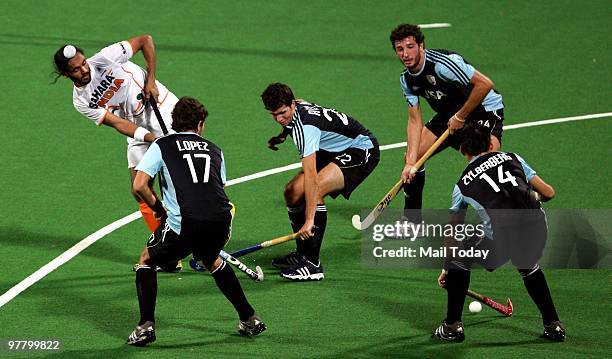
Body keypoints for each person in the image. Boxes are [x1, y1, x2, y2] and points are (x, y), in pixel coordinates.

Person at [127, 97, 266, 346]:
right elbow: (217, 188)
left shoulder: (162, 145)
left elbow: (139, 186)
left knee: (146, 259)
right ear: (200, 124)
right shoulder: (215, 149)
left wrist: (158, 208)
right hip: (221, 220)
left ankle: (145, 326)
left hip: (186, 223)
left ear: (173, 122)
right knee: (211, 258)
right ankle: (250, 318)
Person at [53, 35, 181, 271]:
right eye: (76, 69)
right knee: (139, 189)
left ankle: (217, 211)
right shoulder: (81, 100)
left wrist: (151, 80)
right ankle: (168, 246)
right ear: (65, 74)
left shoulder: (105, 58)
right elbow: (119, 124)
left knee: (180, 175)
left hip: (161, 108)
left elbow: (146, 40)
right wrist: (153, 139)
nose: (84, 69)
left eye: (83, 63)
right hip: (135, 128)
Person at [433, 123, 565, 342]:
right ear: (491, 143)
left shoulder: (462, 185)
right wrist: (532, 197)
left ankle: (452, 327)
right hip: (537, 229)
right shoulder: (512, 157)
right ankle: (554, 325)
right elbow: (549, 193)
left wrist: (449, 270)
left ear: (462, 151)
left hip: (502, 238)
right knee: (528, 266)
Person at [260, 83, 380, 281]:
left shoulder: (306, 129)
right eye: (273, 115)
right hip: (333, 149)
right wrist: (281, 135)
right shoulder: (296, 105)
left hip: (361, 149)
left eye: (282, 113)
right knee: (291, 191)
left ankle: (312, 264)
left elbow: (312, 180)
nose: (279, 119)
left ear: (291, 104)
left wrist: (309, 221)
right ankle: (302, 253)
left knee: (313, 191)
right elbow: (291, 121)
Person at [389, 23, 505, 226]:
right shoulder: (406, 80)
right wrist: (410, 162)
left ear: (421, 45)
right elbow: (414, 120)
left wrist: (460, 116)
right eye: (400, 49)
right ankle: (412, 221)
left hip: (482, 108)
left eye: (410, 46)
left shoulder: (443, 65)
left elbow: (485, 84)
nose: (405, 54)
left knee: (485, 163)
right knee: (413, 155)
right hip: (449, 114)